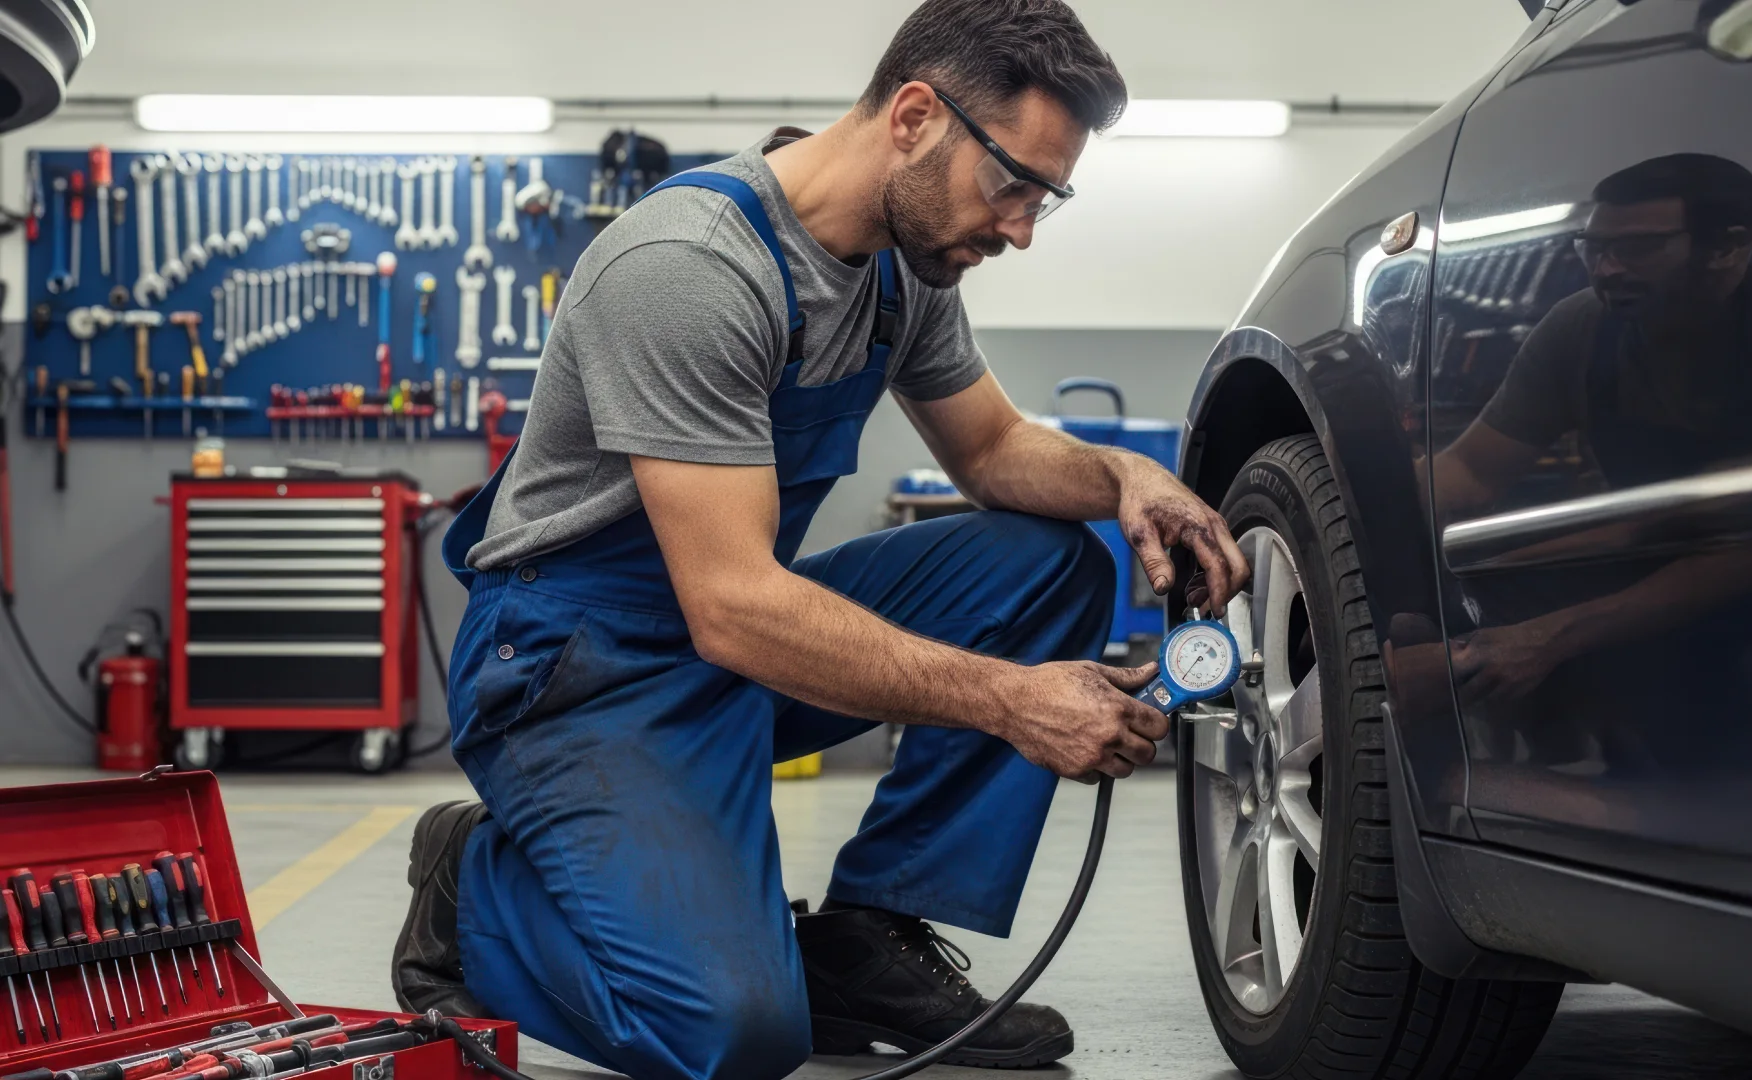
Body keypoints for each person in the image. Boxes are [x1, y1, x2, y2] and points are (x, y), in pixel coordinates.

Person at [388, 2, 1250, 1078]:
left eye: (1049, 197)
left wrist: (1124, 473)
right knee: (732, 1034)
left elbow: (990, 452)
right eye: (1014, 184)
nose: (1022, 227)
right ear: (914, 116)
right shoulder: (690, 268)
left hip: (731, 642)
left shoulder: (904, 266)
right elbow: (734, 604)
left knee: (1044, 560)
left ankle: (866, 936)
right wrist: (1010, 698)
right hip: (579, 672)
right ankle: (470, 882)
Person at [1420, 153, 1752, 768]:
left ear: (1729, 248)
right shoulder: (1583, 329)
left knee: (1731, 770)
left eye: (1638, 247)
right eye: (1593, 248)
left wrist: (1547, 638)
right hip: (1642, 564)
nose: (1607, 268)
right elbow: (1471, 472)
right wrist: (1355, 524)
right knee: (1433, 617)